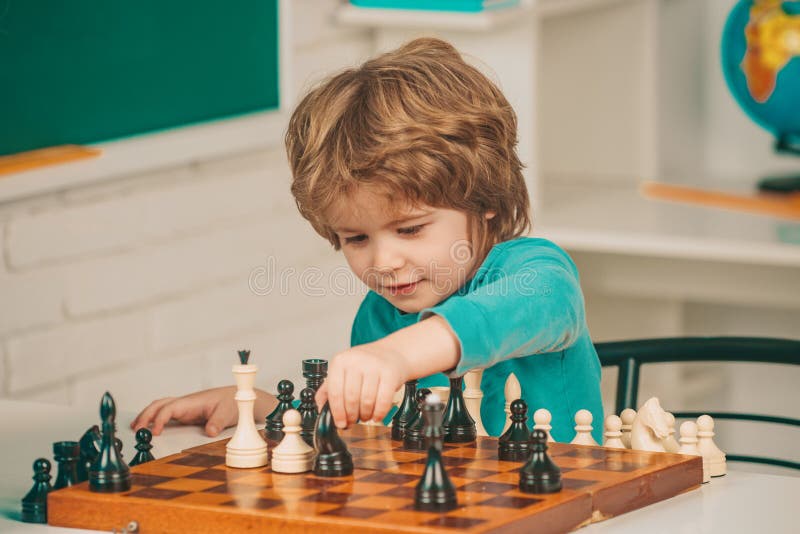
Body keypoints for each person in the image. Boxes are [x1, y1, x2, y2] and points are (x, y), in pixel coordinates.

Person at [132, 37, 603, 442]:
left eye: (410, 229)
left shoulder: (534, 273)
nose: (384, 260)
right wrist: (260, 407)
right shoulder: (379, 318)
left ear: (485, 201)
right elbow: (375, 430)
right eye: (356, 238)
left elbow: (524, 310)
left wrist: (395, 355)